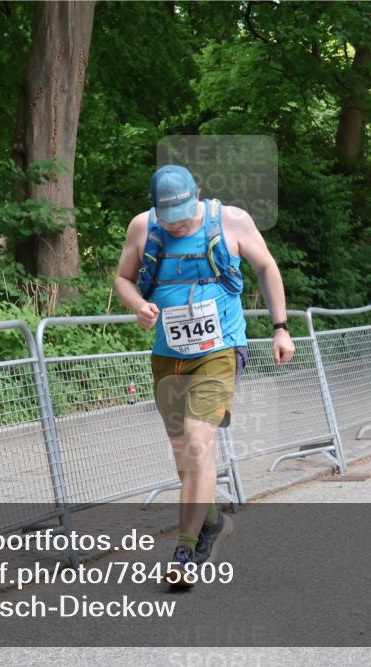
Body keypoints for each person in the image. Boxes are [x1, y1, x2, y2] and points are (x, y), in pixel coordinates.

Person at [113, 165, 295, 586]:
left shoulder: (231, 221)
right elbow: (123, 278)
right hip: (167, 355)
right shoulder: (143, 227)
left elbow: (267, 268)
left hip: (220, 350)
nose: (177, 223)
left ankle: (184, 550)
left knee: (198, 442)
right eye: (169, 216)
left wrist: (280, 328)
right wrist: (137, 304)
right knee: (184, 458)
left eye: (183, 214)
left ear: (198, 194)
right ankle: (211, 522)